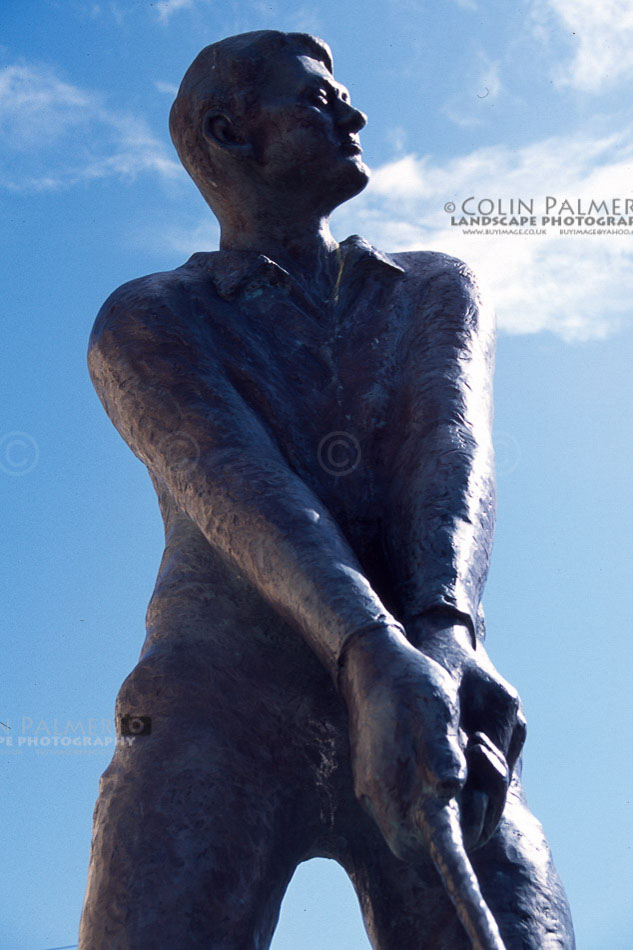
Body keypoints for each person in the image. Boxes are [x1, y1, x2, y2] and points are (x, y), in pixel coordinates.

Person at [79, 30, 575, 948]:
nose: (352, 111)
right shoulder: (149, 318)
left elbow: (449, 446)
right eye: (317, 97)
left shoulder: (432, 287)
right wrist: (369, 651)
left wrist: (442, 637)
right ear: (232, 133)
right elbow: (236, 481)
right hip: (218, 703)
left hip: (426, 678)